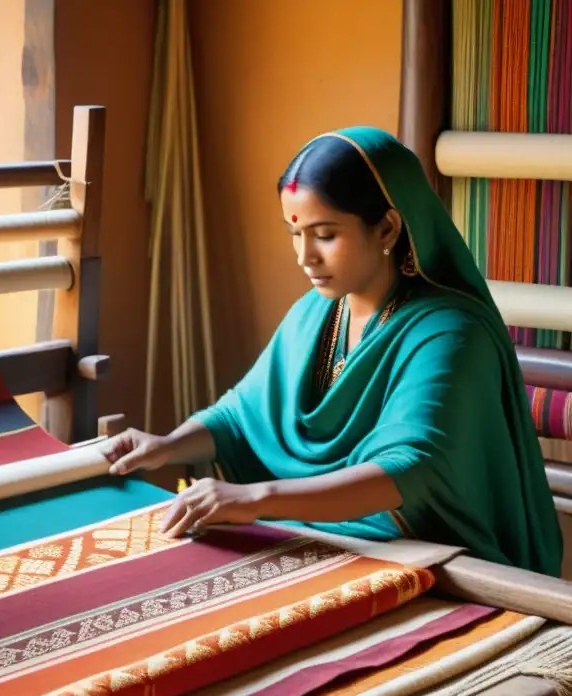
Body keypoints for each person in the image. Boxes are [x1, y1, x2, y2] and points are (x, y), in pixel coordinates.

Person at [104, 126, 563, 577]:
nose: (305, 256)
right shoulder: (318, 312)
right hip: (324, 536)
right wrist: (165, 446)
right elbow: (242, 415)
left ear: (386, 228)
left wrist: (255, 499)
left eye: (324, 235)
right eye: (294, 233)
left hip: (431, 555)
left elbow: (408, 470)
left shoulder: (450, 332)